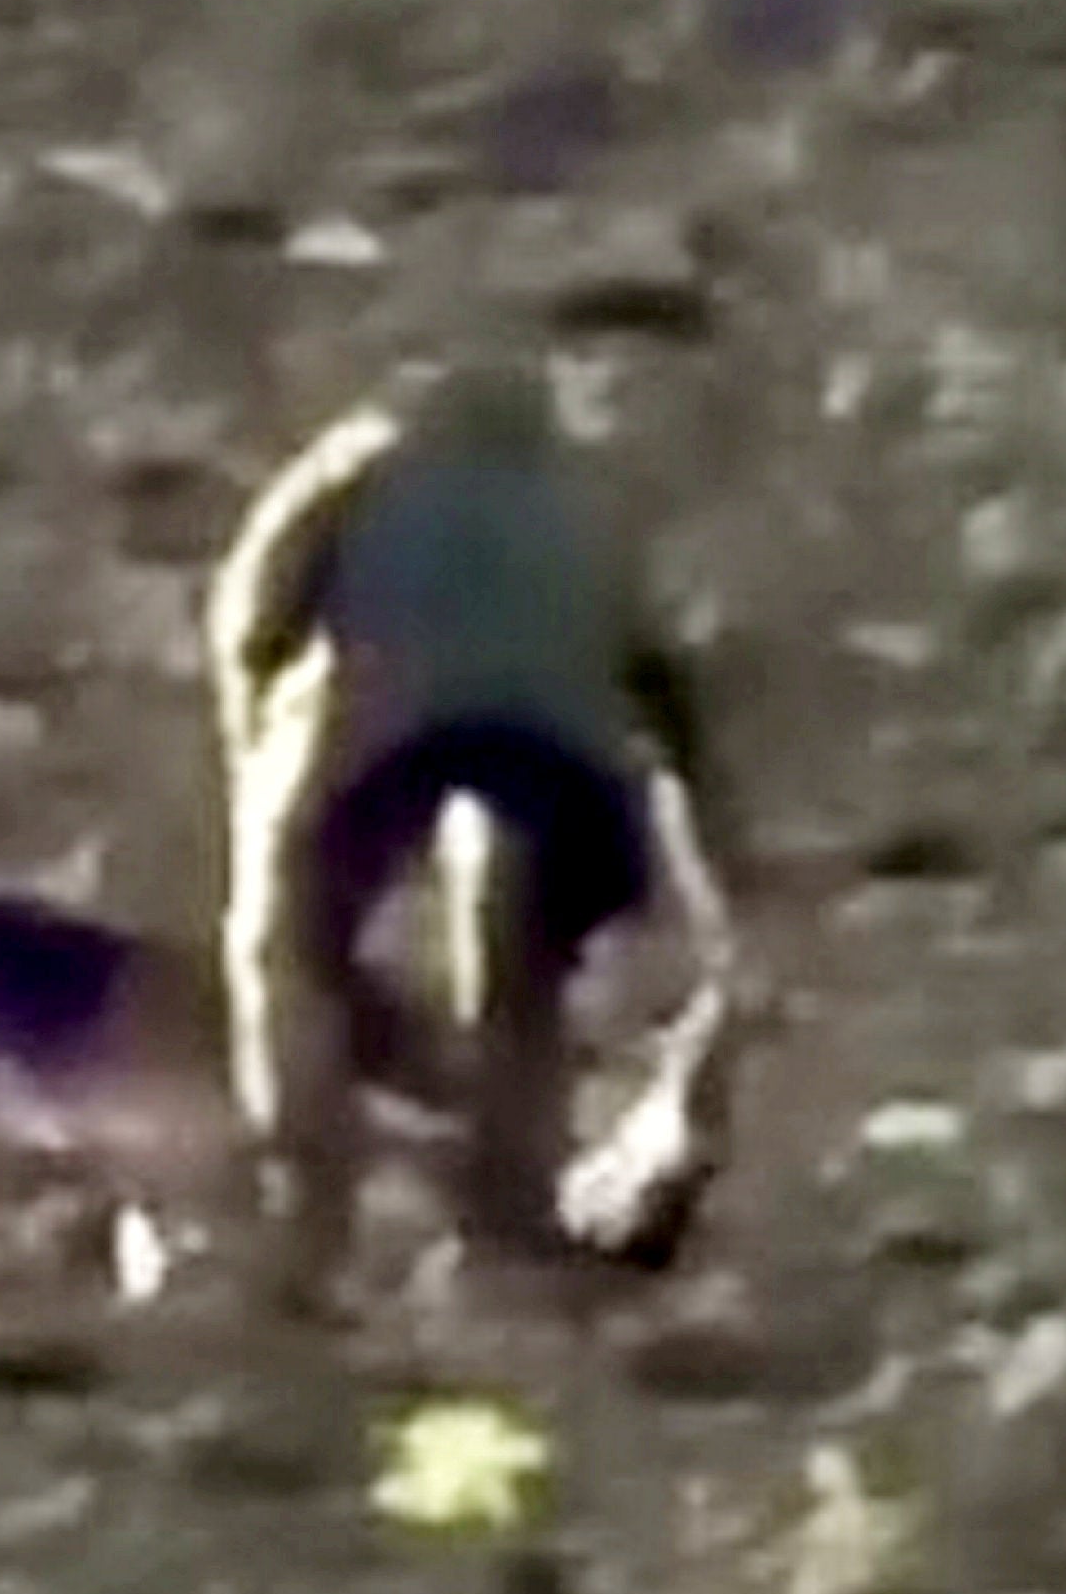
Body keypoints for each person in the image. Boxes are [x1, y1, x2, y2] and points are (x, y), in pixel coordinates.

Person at [205, 357, 739, 1303]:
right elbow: (665, 678)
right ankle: (511, 1224)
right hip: (569, 754)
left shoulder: (360, 462)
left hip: (375, 728)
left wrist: (256, 757)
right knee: (522, 976)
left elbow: (252, 614)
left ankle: (307, 1224)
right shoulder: (585, 501)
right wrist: (712, 847)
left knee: (283, 952)